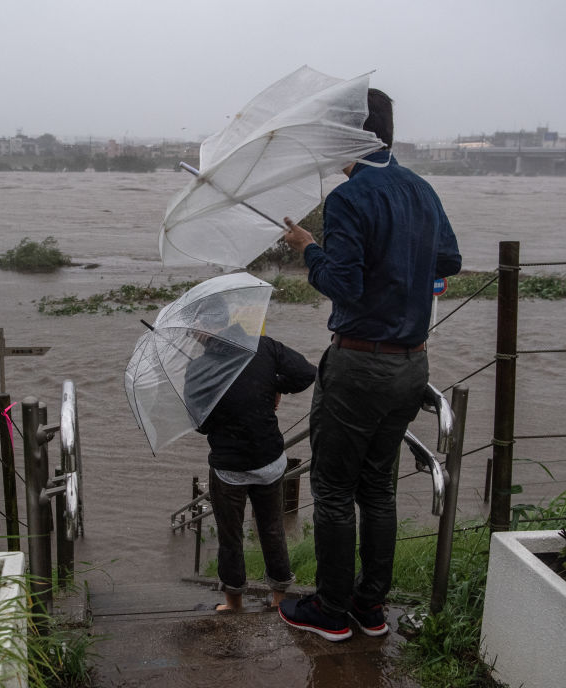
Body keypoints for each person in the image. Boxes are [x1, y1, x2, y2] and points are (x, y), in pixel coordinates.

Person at [277, 88, 462, 640]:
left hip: (358, 367)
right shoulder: (421, 189)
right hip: (412, 365)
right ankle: (370, 608)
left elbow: (345, 287)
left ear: (351, 136)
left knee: (333, 489)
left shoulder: (349, 197)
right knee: (377, 489)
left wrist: (310, 249)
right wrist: (405, 271)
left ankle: (331, 612)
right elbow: (448, 259)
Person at [186, 315, 316, 612]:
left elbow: (200, 424)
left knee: (230, 536)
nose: (192, 334)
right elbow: (307, 374)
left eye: (195, 327)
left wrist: (216, 398)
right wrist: (275, 386)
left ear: (210, 327)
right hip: (269, 460)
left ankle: (233, 602)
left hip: (229, 467)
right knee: (273, 529)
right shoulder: (264, 346)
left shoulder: (198, 369)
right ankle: (280, 598)